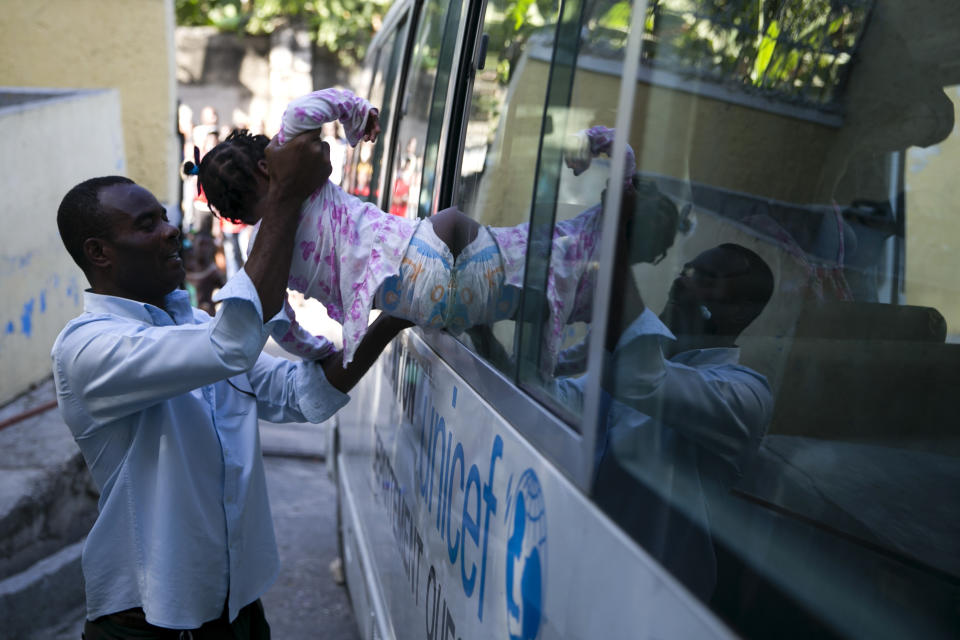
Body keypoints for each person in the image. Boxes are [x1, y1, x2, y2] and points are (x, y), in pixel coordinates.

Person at [52, 130, 412, 638]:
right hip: (149, 625)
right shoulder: (88, 349)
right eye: (146, 224)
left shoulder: (196, 328)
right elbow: (232, 346)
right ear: (100, 252)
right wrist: (283, 194)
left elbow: (300, 395)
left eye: (164, 216)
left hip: (237, 614)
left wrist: (392, 319)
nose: (170, 230)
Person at [188, 88, 681, 370]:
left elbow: (284, 328)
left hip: (415, 300)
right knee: (468, 232)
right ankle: (526, 318)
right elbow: (306, 111)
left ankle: (500, 336)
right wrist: (361, 122)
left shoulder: (264, 252)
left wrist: (328, 352)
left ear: (233, 216)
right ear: (266, 163)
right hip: (423, 259)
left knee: (500, 280)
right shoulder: (299, 181)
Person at [587, 243, 776, 599]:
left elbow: (643, 380)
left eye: (705, 280)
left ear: (739, 311)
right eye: (686, 272)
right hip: (590, 564)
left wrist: (615, 245)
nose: (681, 285)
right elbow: (567, 393)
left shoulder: (745, 394)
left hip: (657, 598)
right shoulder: (642, 362)